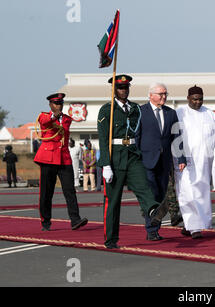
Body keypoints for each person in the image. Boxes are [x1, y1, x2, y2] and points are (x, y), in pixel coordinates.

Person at [97, 75, 160, 248]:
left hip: (132, 154)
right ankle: (111, 239)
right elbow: (103, 138)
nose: (124, 90)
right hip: (115, 156)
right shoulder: (106, 110)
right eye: (120, 87)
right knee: (113, 201)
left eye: (126, 87)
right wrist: (105, 164)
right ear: (114, 90)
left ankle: (153, 209)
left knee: (143, 186)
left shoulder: (135, 109)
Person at [174, 85, 215, 239]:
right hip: (185, 160)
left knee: (202, 192)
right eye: (194, 99)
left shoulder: (210, 114)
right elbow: (174, 136)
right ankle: (194, 228)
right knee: (186, 192)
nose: (198, 102)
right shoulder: (179, 113)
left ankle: (192, 225)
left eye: (200, 99)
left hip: (206, 159)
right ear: (188, 99)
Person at [135, 82, 186, 240]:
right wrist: (136, 158)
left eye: (165, 94)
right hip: (146, 161)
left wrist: (181, 158)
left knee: (160, 195)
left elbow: (177, 137)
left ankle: (152, 223)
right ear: (150, 95)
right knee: (151, 195)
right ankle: (152, 229)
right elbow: (136, 136)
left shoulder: (171, 113)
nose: (164, 97)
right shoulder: (140, 112)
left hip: (164, 162)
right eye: (160, 94)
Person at [34, 93, 88, 231]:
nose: (59, 106)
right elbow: (45, 122)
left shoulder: (66, 119)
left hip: (64, 159)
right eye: (56, 104)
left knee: (70, 190)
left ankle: (75, 219)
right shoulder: (43, 116)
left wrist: (58, 117)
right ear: (50, 105)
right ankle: (45, 221)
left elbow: (63, 125)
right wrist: (54, 116)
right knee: (47, 192)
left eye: (61, 104)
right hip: (48, 158)